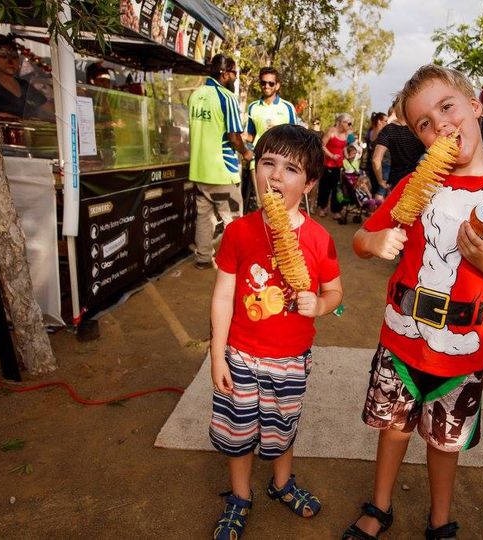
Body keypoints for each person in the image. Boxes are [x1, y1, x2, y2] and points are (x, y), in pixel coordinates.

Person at [345, 65, 483, 540]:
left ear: (475, 107)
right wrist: (373, 242)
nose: (440, 125)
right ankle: (380, 506)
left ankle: (439, 518)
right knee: (394, 429)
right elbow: (361, 238)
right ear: (417, 136)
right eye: (424, 123)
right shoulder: (414, 186)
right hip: (401, 338)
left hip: (463, 348)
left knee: (445, 441)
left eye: (447, 107)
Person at [209, 124, 343, 540]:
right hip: (241, 353)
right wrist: (216, 355)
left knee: (282, 427)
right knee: (238, 430)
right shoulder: (238, 231)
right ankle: (239, 495)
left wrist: (319, 304)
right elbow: (222, 296)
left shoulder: (319, 238)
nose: (276, 176)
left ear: (310, 184)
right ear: (255, 169)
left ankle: (281, 482)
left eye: (291, 169)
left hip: (290, 358)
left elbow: (335, 291)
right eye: (268, 163)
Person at [188, 54, 253, 270]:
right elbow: (234, 137)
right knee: (233, 219)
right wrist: (246, 152)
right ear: (224, 74)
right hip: (222, 171)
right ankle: (235, 262)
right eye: (234, 73)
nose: (235, 77)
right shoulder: (227, 98)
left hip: (199, 171)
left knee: (203, 217)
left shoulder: (195, 95)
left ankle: (203, 258)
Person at [243, 66, 297, 205]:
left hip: (282, 162)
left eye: (271, 83)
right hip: (259, 160)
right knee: (262, 202)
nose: (266, 86)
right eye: (263, 82)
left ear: (277, 85)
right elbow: (251, 135)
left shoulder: (287, 107)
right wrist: (243, 140)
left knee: (279, 204)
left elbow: (295, 137)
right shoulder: (253, 107)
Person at [0, 31, 52, 121]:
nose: (10, 62)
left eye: (14, 57)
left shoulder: (24, 85)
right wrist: (0, 116)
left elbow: (48, 107)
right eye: (3, 56)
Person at [371, 103, 426, 192]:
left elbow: (376, 160)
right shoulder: (419, 127)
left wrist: (381, 181)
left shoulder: (388, 130)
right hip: (419, 180)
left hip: (397, 182)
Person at [317, 113, 353, 218]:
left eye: (350, 124)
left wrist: (347, 156)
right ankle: (322, 207)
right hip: (328, 164)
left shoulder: (346, 134)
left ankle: (335, 210)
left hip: (338, 165)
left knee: (337, 188)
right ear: (342, 122)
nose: (350, 126)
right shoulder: (332, 131)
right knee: (325, 187)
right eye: (349, 123)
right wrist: (331, 155)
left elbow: (343, 147)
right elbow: (322, 145)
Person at [362, 112, 389, 199]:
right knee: (381, 191)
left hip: (371, 165)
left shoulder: (369, 132)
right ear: (379, 121)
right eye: (385, 121)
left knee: (374, 190)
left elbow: (366, 151)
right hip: (382, 165)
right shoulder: (383, 134)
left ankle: (373, 205)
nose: (387, 123)